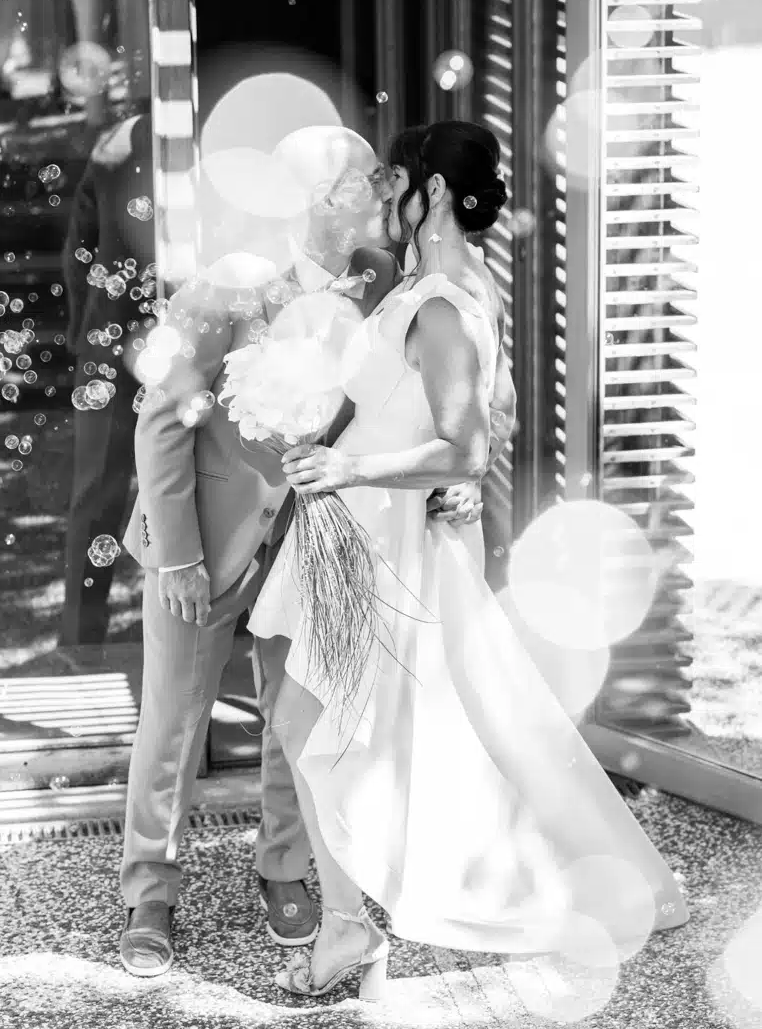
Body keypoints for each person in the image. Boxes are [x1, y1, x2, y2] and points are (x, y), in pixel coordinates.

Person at [248, 120, 689, 999]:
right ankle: (349, 919)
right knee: (315, 725)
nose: (383, 194)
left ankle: (359, 922)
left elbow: (463, 442)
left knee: (316, 725)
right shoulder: (420, 285)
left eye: (396, 179)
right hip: (358, 526)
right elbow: (468, 413)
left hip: (380, 537)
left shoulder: (443, 301)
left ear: (435, 194)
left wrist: (350, 465)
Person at [116, 125, 477, 978]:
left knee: (297, 717)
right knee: (174, 717)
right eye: (362, 182)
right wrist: (175, 557)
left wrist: (442, 484)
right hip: (203, 540)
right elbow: (160, 419)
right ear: (315, 199)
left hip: (315, 542)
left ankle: (286, 868)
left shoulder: (386, 287)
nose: (382, 191)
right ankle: (150, 891)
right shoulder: (228, 286)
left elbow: (407, 410)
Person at [60, 110, 154, 648]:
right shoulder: (216, 133)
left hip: (109, 337)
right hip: (191, 341)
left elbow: (80, 247)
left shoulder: (114, 143)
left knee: (95, 492)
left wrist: (82, 329)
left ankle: (80, 637)